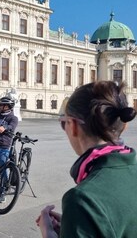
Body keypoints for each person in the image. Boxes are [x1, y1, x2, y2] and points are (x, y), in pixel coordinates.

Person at [36, 81, 137, 237]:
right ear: (124, 126)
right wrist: (77, 224)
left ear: (73, 126)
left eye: (64, 124)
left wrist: (48, 233)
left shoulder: (82, 200)